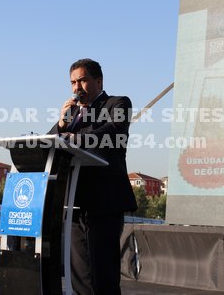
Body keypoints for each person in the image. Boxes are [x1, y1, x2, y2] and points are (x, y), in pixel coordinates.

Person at [48, 58, 137, 295]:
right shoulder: (72, 114)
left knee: (103, 274)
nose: (77, 87)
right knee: (79, 275)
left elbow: (110, 133)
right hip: (74, 204)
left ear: (98, 81)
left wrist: (73, 138)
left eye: (83, 80)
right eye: (73, 82)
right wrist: (61, 123)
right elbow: (48, 143)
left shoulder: (117, 103)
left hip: (104, 202)